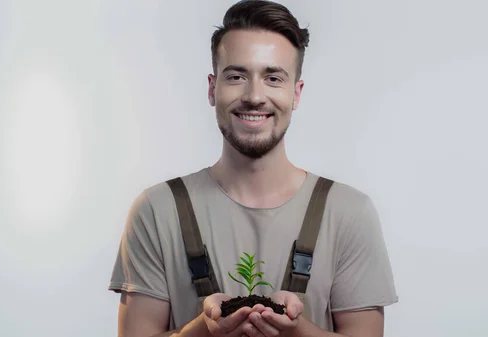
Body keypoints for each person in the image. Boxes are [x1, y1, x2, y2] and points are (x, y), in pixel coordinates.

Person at [108, 0, 398, 336]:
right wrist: (204, 329)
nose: (255, 96)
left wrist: (298, 332)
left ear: (296, 93)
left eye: (273, 77)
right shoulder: (157, 211)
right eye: (236, 76)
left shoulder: (348, 212)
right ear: (212, 88)